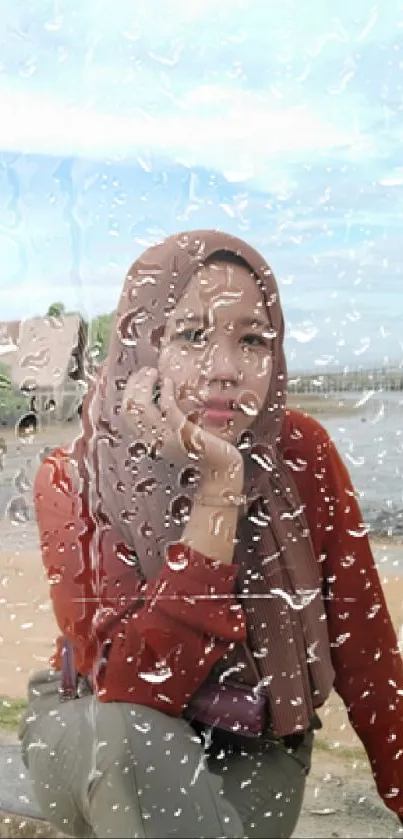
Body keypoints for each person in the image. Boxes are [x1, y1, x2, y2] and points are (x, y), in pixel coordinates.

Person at [20, 230, 403, 838]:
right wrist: (220, 486)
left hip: (258, 735)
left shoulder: (300, 452)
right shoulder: (74, 476)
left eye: (252, 340)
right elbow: (133, 683)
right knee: (132, 739)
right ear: (142, 346)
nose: (225, 369)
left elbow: (365, 650)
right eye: (192, 335)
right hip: (91, 721)